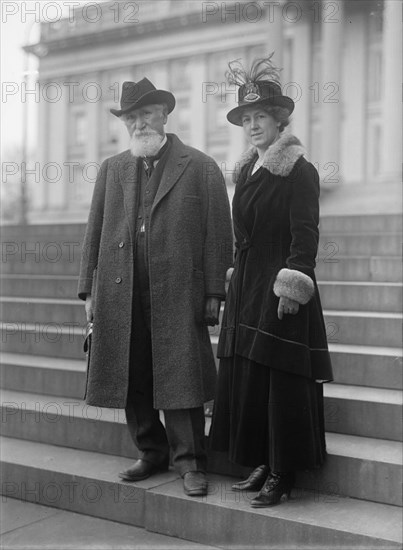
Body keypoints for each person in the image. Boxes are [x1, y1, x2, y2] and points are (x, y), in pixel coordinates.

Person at [78, 78, 233, 497]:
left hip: (179, 291)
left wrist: (215, 293)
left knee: (181, 375)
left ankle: (190, 462)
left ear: (164, 114)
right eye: (131, 117)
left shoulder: (200, 166)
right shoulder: (113, 169)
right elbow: (94, 232)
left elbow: (219, 235)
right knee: (133, 373)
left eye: (146, 113)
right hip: (119, 290)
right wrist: (88, 291)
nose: (139, 123)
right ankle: (151, 451)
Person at [209, 56, 333, 507]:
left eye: (261, 116)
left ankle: (283, 471)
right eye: (247, 118)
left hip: (280, 289)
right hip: (248, 285)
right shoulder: (246, 170)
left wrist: (293, 286)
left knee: (280, 379)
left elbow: (306, 235)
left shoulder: (299, 171)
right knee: (251, 377)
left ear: (280, 120)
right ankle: (260, 459)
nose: (253, 124)